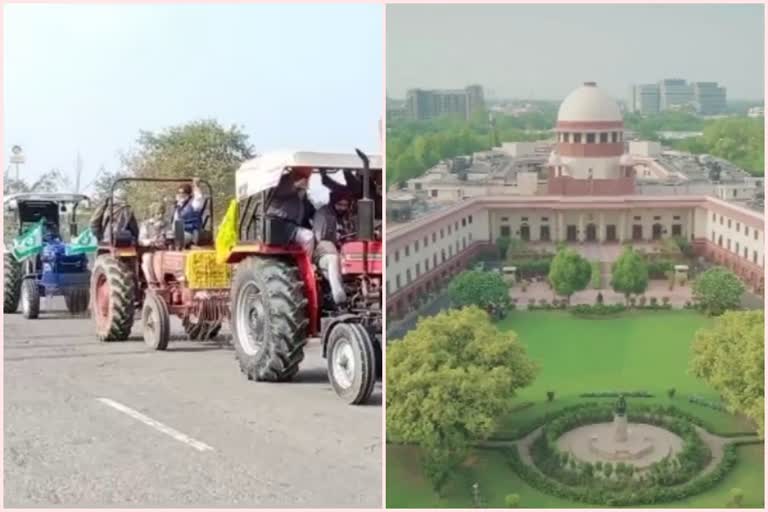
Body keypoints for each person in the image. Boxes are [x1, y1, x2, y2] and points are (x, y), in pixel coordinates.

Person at [312, 191, 353, 305]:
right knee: (332, 258)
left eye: (345, 205)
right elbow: (319, 237)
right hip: (322, 250)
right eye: (340, 205)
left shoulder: (345, 217)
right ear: (333, 202)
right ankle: (339, 297)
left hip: (339, 248)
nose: (342, 208)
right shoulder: (323, 214)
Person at [266, 167, 316, 256]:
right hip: (280, 224)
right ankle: (308, 265)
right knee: (308, 236)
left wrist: (319, 215)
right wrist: (296, 185)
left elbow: (308, 207)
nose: (310, 173)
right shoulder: (283, 181)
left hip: (294, 225)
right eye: (308, 170)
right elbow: (282, 191)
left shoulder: (301, 190)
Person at [138, 203, 168, 286]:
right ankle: (152, 283)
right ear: (153, 214)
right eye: (158, 213)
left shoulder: (167, 224)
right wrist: (151, 241)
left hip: (164, 249)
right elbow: (141, 240)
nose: (160, 216)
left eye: (162, 213)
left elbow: (170, 235)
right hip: (150, 249)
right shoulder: (146, 225)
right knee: (147, 259)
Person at [172, 178, 206, 245]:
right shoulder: (178, 206)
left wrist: (196, 186)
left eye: (184, 193)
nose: (181, 195)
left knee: (177, 238)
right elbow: (175, 222)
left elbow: (198, 198)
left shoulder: (193, 204)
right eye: (179, 193)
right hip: (179, 232)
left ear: (189, 194)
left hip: (191, 233)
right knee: (165, 237)